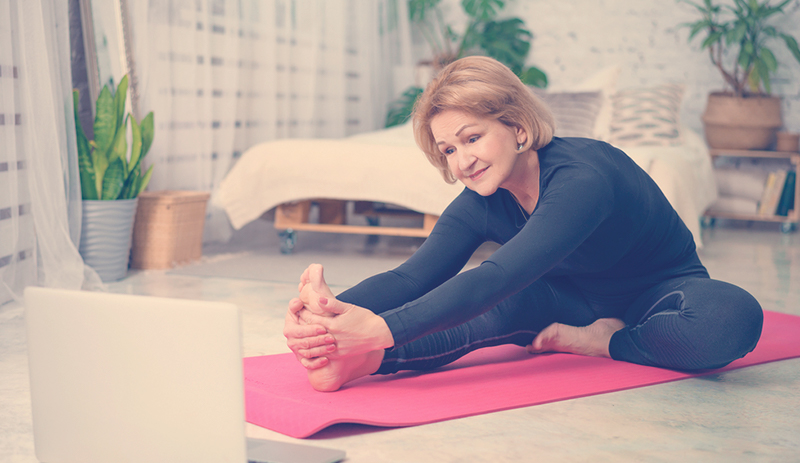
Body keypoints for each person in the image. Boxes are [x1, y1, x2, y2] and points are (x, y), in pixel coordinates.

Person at [283, 56, 763, 392]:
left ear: (516, 127)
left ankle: (606, 341)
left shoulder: (582, 177)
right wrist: (328, 314)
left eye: (472, 138)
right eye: (449, 150)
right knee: (495, 310)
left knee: (729, 319)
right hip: (565, 299)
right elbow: (412, 276)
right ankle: (362, 363)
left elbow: (499, 273)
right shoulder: (480, 198)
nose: (463, 161)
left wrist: (379, 327)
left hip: (660, 289)